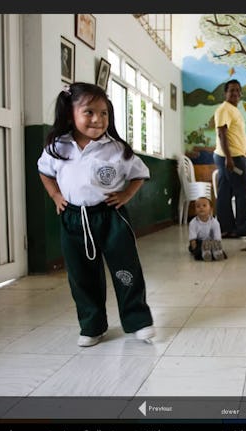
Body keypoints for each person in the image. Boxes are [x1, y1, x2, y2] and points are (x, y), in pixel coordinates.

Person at [37, 82, 155, 347]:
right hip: (73, 219)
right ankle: (92, 326)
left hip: (110, 218)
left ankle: (138, 321)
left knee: (126, 269)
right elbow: (44, 172)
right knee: (81, 275)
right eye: (89, 112)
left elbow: (139, 174)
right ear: (70, 114)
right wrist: (56, 195)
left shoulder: (116, 149)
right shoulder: (59, 147)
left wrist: (125, 195)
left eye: (104, 113)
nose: (97, 119)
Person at [212, 79, 246, 238]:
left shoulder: (234, 110)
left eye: (238, 90)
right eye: (231, 90)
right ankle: (242, 228)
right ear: (225, 93)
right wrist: (229, 159)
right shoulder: (224, 109)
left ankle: (226, 228)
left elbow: (239, 135)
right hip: (231, 157)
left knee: (225, 191)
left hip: (235, 155)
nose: (235, 93)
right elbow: (222, 133)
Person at [188, 196, 225, 261]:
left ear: (210, 209)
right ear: (195, 211)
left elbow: (217, 238)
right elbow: (192, 239)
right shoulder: (193, 223)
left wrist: (216, 245)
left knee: (217, 248)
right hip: (199, 242)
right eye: (198, 206)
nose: (201, 208)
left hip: (212, 242)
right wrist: (195, 249)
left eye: (204, 205)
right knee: (195, 250)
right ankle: (206, 253)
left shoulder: (214, 222)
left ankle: (215, 253)